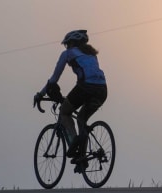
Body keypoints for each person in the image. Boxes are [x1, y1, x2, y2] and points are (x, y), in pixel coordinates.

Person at [34, 30, 107, 170]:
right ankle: (82, 158)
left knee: (64, 111)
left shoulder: (68, 54)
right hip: (102, 90)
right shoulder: (92, 54)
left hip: (86, 87)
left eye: (67, 44)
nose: (66, 47)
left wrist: (40, 94)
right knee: (81, 119)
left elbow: (54, 79)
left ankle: (74, 141)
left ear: (72, 43)